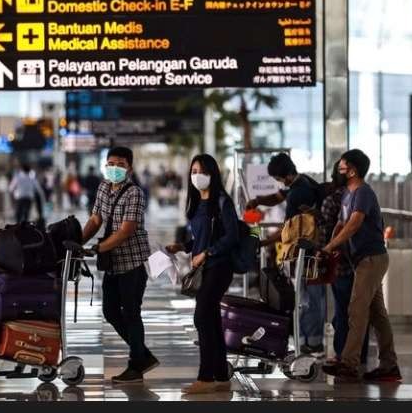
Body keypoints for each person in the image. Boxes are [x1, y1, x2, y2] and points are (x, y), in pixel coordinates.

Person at [321, 149, 401, 382]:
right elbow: (341, 223)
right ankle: (389, 366)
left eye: (344, 164)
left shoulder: (363, 193)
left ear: (353, 170)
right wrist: (330, 245)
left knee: (356, 310)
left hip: (371, 259)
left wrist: (332, 245)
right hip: (363, 261)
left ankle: (349, 364)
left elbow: (354, 223)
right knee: (378, 315)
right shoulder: (348, 193)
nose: (340, 167)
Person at [81, 146, 157, 384]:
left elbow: (126, 230)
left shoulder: (135, 193)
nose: (115, 168)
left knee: (131, 313)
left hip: (132, 262)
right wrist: (77, 242)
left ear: (130, 168)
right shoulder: (104, 187)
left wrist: (97, 248)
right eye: (111, 163)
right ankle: (142, 354)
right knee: (110, 310)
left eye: (120, 165)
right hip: (113, 262)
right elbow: (95, 219)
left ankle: (136, 365)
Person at [166, 154, 239, 395]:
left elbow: (231, 236)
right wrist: (183, 247)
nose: (197, 175)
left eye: (203, 171)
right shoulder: (197, 203)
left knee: (202, 317)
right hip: (205, 268)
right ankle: (220, 376)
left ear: (212, 174)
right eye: (194, 170)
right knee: (211, 319)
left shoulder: (221, 201)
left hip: (220, 267)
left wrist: (206, 253)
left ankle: (206, 377)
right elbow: (200, 238)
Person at [245, 153, 325, 354]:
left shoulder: (300, 192)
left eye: (278, 178)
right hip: (311, 248)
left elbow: (288, 230)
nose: (278, 182)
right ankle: (309, 340)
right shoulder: (301, 181)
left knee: (308, 299)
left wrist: (263, 242)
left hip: (306, 251)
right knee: (309, 297)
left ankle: (312, 342)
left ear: (286, 175)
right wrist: (257, 201)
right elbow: (278, 196)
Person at [319, 161, 370, 365]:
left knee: (342, 310)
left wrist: (326, 251)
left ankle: (342, 354)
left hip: (340, 262)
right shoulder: (354, 196)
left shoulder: (333, 200)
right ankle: (359, 354)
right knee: (357, 311)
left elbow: (331, 230)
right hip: (356, 260)